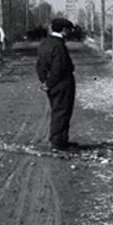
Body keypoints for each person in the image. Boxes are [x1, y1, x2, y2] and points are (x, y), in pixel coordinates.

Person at [35, 17, 76, 151]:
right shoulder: (59, 46)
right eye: (69, 30)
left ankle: (61, 140)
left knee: (57, 110)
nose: (70, 33)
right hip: (62, 83)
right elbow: (59, 68)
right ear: (64, 30)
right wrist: (51, 83)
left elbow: (39, 65)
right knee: (62, 112)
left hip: (51, 83)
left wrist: (44, 82)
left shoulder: (44, 43)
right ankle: (58, 142)